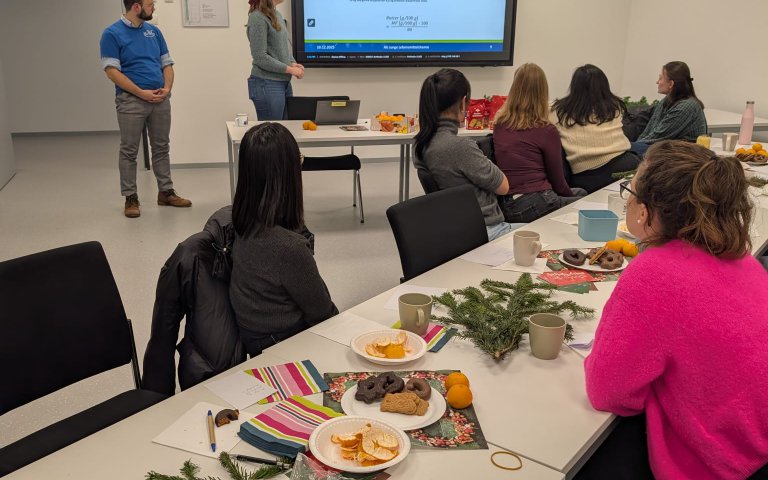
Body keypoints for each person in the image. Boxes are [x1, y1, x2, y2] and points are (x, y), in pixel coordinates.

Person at [581, 141, 768, 479]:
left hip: (715, 465)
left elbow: (609, 393)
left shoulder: (655, 272)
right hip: (756, 450)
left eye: (631, 191)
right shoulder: (743, 259)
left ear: (644, 210)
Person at [229, 123, 338, 356]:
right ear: (287, 173)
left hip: (254, 334)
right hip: (283, 344)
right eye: (297, 160)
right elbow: (322, 312)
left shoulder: (238, 219)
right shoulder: (288, 247)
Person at [100, 0, 192, 218]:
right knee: (129, 150)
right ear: (136, 7)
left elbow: (167, 64)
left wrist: (167, 88)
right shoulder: (111, 34)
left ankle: (166, 192)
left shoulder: (154, 32)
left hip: (160, 98)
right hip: (130, 100)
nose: (154, 8)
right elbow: (112, 72)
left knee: (161, 147)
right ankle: (131, 198)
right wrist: (141, 93)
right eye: (150, 4)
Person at [413, 68, 519, 241]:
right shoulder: (459, 147)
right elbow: (503, 186)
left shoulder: (421, 143)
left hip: (458, 229)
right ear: (463, 103)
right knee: (546, 236)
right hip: (487, 230)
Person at [493, 63, 586, 223]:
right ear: (542, 93)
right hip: (538, 201)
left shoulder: (499, 124)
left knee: (581, 193)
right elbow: (558, 181)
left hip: (508, 205)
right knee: (584, 203)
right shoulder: (545, 130)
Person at [552, 65, 640, 193]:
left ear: (575, 86)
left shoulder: (558, 111)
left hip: (586, 176)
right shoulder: (614, 107)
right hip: (624, 165)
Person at [630, 61, 707, 156]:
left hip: (680, 155)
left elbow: (657, 137)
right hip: (663, 148)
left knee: (619, 150)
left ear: (671, 84)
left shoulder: (686, 107)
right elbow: (650, 130)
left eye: (660, 78)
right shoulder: (668, 100)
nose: (657, 82)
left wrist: (630, 147)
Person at [246, 0, 304, 120]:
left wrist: (293, 63)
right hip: (266, 83)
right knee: (272, 134)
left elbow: (281, 48)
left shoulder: (277, 15)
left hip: (283, 82)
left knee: (283, 132)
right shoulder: (257, 18)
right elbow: (260, 57)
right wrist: (290, 70)